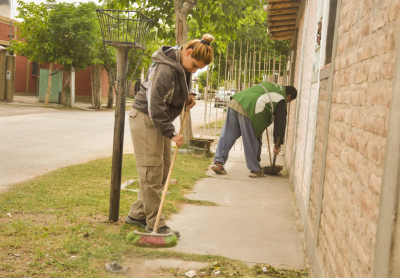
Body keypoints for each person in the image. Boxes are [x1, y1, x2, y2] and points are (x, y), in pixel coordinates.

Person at [125, 34, 214, 238]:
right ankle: (155, 224)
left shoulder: (180, 62)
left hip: (158, 120)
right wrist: (172, 132)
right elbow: (154, 103)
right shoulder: (165, 68)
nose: (194, 70)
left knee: (162, 170)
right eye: (195, 66)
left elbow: (184, 77)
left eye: (198, 69)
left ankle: (137, 214)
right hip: (146, 118)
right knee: (152, 171)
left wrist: (189, 93)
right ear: (188, 52)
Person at [211, 82, 297, 178]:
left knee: (227, 135)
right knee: (251, 138)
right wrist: (278, 143)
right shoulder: (282, 98)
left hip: (236, 101)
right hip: (249, 108)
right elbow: (280, 123)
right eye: (289, 101)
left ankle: (218, 162)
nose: (287, 102)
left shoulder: (272, 86)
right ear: (289, 96)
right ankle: (255, 169)